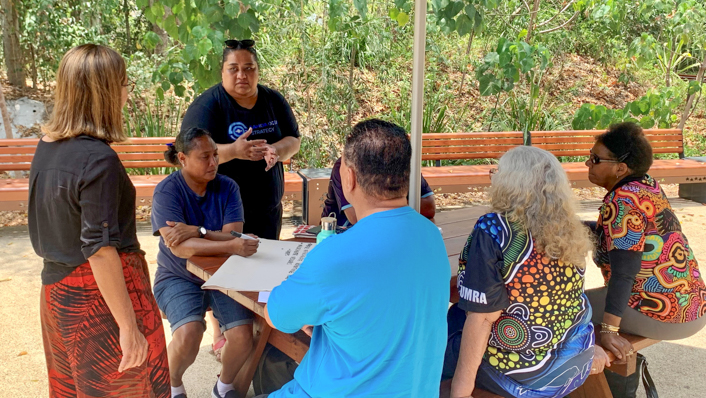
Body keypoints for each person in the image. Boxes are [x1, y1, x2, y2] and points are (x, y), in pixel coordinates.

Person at [260, 119, 451, 397]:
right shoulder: (431, 236)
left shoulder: (335, 254)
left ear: (348, 177)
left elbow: (276, 316)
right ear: (407, 175)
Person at [28, 44, 170, 397]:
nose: (126, 93)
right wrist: (128, 326)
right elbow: (100, 250)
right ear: (105, 91)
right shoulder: (98, 159)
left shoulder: (47, 146)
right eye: (124, 84)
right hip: (102, 300)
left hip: (57, 297)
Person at [444, 146, 604, 398]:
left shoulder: (495, 229)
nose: (492, 177)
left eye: (496, 172)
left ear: (510, 181)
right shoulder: (569, 227)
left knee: (425, 347)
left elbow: (484, 317)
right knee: (456, 315)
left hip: (523, 377)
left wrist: (460, 393)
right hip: (573, 362)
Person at [585, 122, 706, 396]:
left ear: (620, 168)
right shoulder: (647, 186)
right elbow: (630, 238)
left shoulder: (621, 201)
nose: (587, 163)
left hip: (659, 312)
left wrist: (608, 330)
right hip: (692, 307)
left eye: (595, 159)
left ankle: (604, 386)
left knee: (561, 309)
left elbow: (625, 273)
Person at [151, 127, 260, 398]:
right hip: (178, 275)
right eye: (204, 157)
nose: (213, 163)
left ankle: (223, 386)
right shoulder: (167, 192)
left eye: (215, 156)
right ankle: (172, 384)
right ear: (182, 159)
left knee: (243, 336)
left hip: (223, 271)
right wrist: (231, 245)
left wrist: (198, 230)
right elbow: (181, 249)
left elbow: (233, 232)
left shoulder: (227, 186)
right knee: (189, 332)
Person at [180, 39, 300, 240]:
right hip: (220, 213)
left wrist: (275, 150)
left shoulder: (274, 100)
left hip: (267, 211)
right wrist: (235, 151)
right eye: (233, 69)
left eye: (249, 68)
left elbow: (294, 140)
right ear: (222, 72)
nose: (242, 75)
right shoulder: (207, 107)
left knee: (265, 268)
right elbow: (189, 154)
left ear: (258, 71)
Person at [321, 156, 436, 225]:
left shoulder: (403, 163)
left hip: (394, 232)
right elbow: (357, 218)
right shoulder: (346, 167)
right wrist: (399, 204)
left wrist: (383, 205)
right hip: (340, 232)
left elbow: (429, 207)